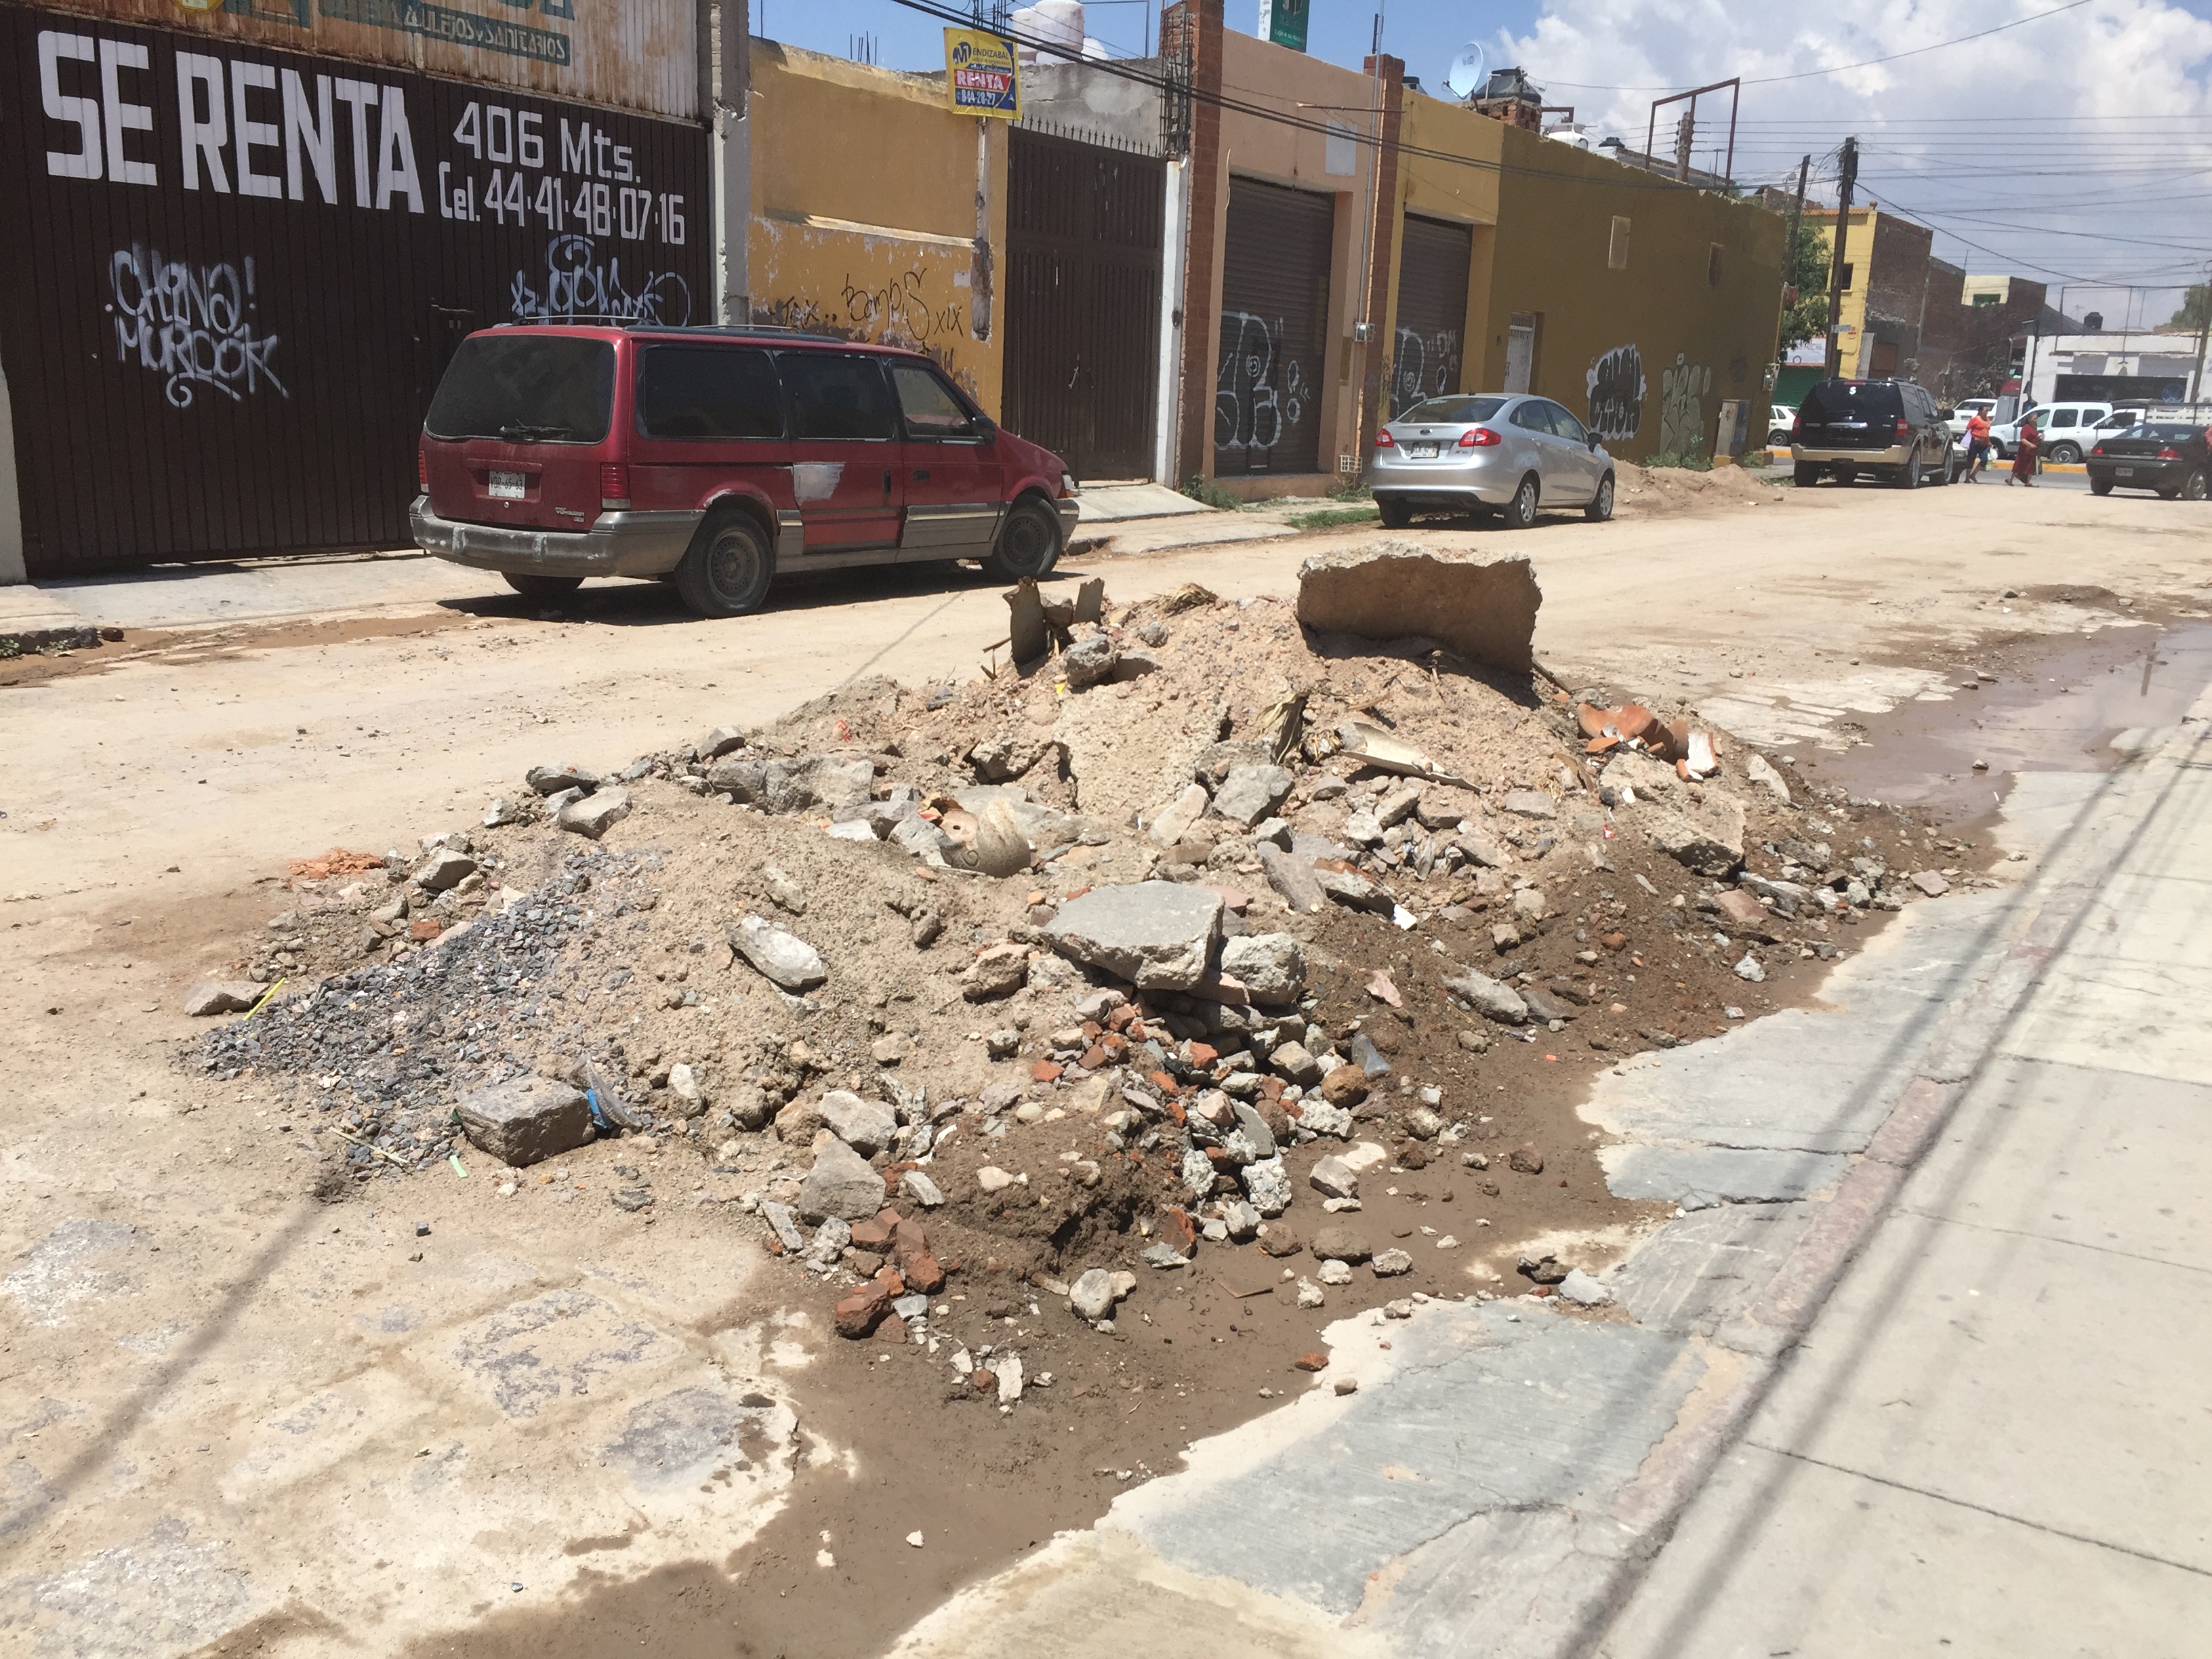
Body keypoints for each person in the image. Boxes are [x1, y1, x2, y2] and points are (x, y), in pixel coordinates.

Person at [2009, 413, 2041, 486]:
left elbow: (2034, 437)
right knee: (2019, 465)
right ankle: (2010, 479)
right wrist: (2030, 445)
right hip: (2025, 450)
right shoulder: (2026, 427)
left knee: (2030, 467)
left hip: (2033, 451)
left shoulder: (2035, 427)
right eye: (2034, 419)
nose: (2036, 420)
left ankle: (2028, 482)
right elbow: (2023, 439)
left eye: (2037, 418)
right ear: (2030, 420)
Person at [1964, 409, 1992, 480]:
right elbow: (1968, 429)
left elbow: (1987, 432)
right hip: (1975, 442)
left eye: (1987, 411)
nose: (1986, 413)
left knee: (1985, 459)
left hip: (1984, 443)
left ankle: (1973, 475)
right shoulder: (1975, 419)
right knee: (1971, 459)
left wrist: (1989, 441)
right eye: (1985, 411)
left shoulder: (1988, 420)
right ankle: (1967, 478)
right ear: (1980, 411)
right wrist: (1973, 437)